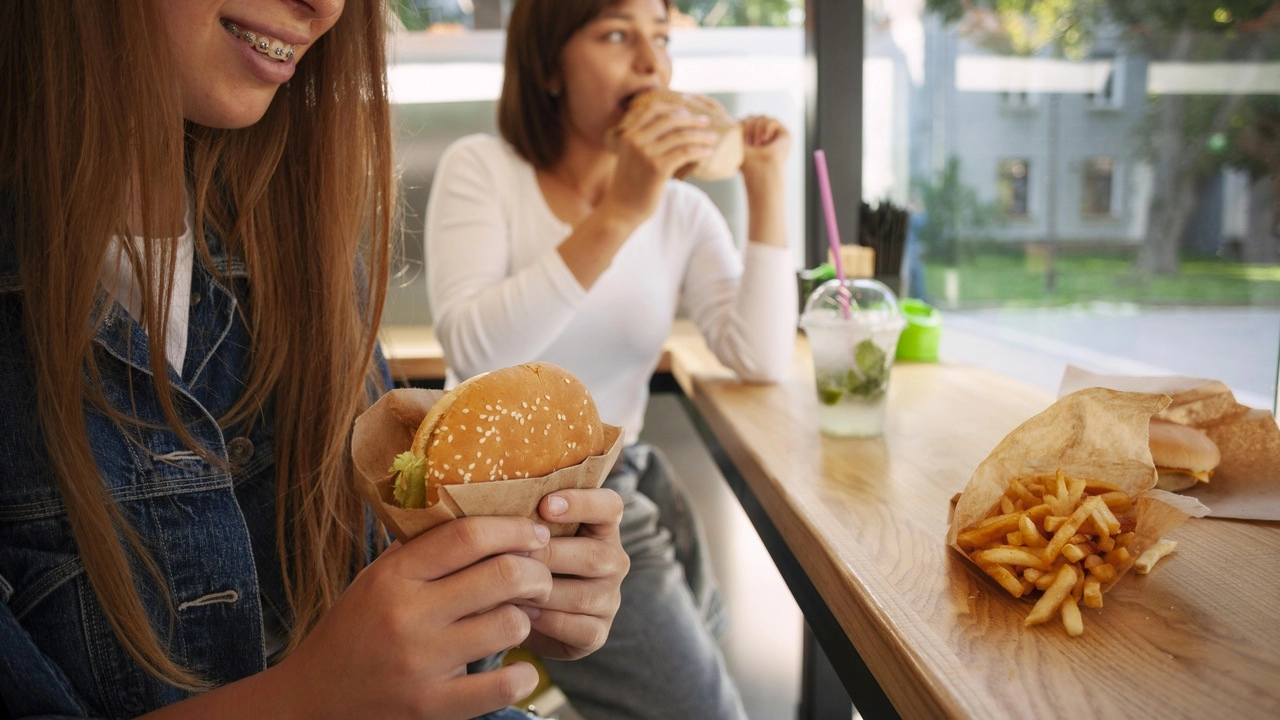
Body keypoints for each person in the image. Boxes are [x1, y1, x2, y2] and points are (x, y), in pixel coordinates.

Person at [0, 2, 627, 719]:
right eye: (617, 32)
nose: (327, 6)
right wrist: (308, 701)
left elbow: (378, 621)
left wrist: (504, 595)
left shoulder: (301, 248)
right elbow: (481, 340)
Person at [424, 1, 797, 717]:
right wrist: (621, 208)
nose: (653, 61)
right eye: (618, 34)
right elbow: (474, 351)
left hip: (611, 492)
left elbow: (758, 354)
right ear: (548, 65)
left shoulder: (681, 211)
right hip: (482, 502)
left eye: (661, 37)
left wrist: (766, 181)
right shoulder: (484, 170)